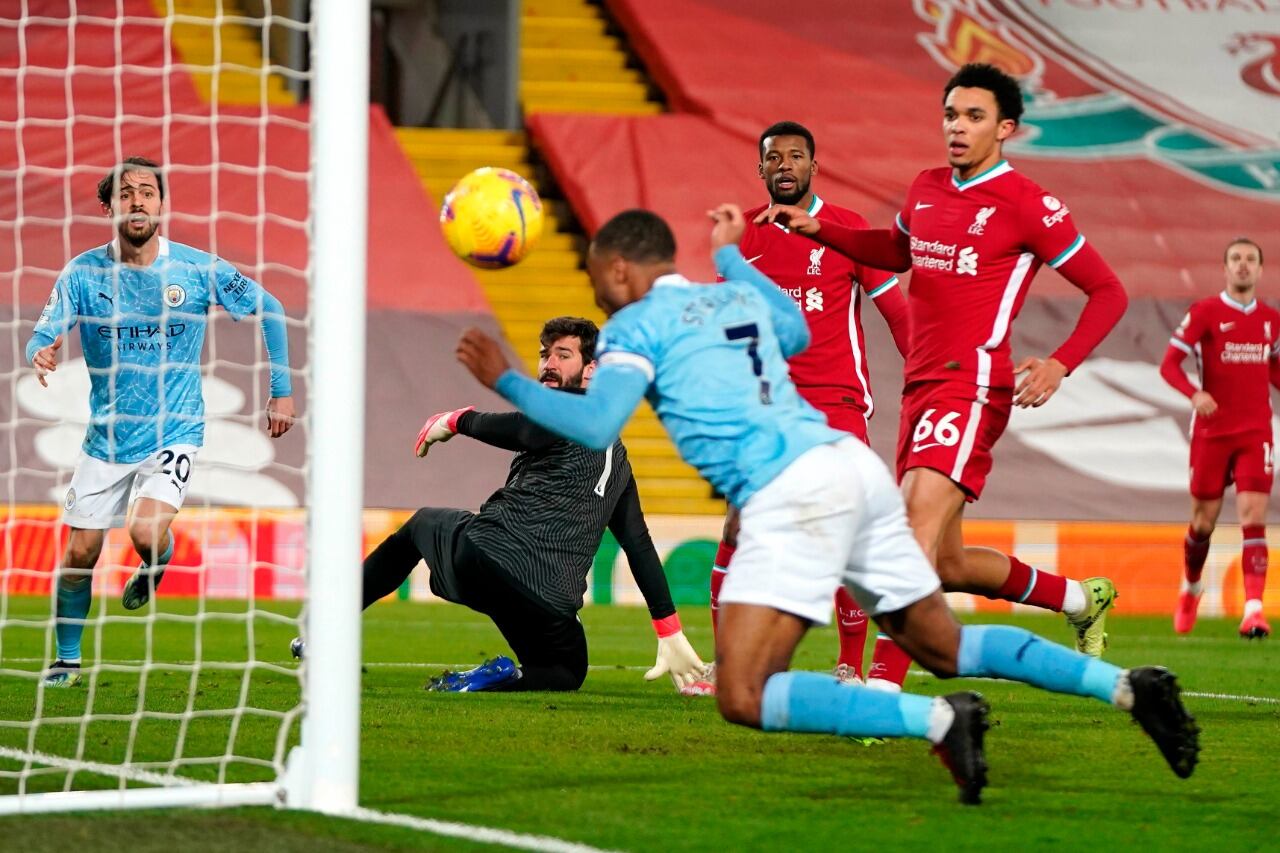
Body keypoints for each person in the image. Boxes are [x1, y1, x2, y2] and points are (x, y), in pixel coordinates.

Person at [456, 206, 1198, 804]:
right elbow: (800, 330)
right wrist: (734, 259)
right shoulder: (732, 291)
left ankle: (939, 718)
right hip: (851, 467)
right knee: (946, 647)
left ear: (619, 269)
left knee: (744, 692)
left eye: (595, 278)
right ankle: (1131, 688)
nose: (594, 292)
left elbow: (592, 424)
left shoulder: (633, 329)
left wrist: (506, 381)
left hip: (790, 493)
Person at [757, 63, 1130, 689]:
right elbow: (897, 252)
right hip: (922, 388)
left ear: (1006, 128)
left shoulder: (1027, 204)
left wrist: (1062, 362)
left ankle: (881, 693)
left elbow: (1108, 291)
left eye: (974, 117)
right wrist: (823, 229)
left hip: (974, 385)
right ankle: (1078, 599)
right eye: (951, 115)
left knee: (908, 537)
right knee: (947, 561)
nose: (957, 128)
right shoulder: (927, 187)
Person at [297, 317, 706, 693]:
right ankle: (502, 677)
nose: (548, 363)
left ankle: (324, 631)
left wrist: (458, 420)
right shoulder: (619, 462)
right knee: (563, 673)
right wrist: (667, 628)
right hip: (548, 597)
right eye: (545, 354)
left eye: (563, 355)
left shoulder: (572, 410)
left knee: (420, 526)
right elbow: (638, 544)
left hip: (489, 558)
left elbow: (527, 430)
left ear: (592, 370)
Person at [26, 157, 295, 688]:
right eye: (126, 194)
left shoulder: (196, 270)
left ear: (163, 205)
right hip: (106, 436)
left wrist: (281, 391)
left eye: (148, 192)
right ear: (109, 208)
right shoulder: (83, 273)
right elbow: (44, 330)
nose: (138, 201)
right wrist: (43, 349)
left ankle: (156, 559)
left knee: (145, 531)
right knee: (81, 551)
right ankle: (67, 657)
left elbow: (272, 307)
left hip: (175, 428)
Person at [708, 121, 912, 687]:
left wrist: (926, 376)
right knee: (737, 527)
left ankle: (850, 661)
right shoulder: (742, 237)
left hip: (835, 401)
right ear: (761, 169)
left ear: (813, 167)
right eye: (774, 157)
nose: (785, 165)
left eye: (796, 156)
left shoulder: (846, 229)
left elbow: (897, 313)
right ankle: (728, 663)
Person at [1161, 238, 1276, 638]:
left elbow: (1273, 370)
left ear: (1261, 270)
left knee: (1253, 517)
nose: (1243, 266)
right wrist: (1194, 394)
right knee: (1202, 524)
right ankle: (1191, 587)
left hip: (1255, 431)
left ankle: (1254, 610)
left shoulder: (1271, 321)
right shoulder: (1206, 312)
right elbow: (1169, 364)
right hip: (1211, 433)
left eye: (1250, 260)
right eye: (1236, 259)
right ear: (1224, 268)